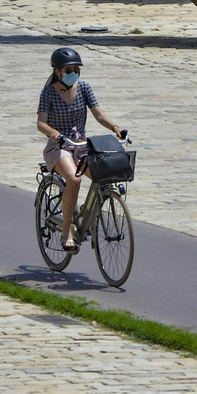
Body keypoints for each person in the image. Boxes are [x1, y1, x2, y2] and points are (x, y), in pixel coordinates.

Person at [36, 48, 126, 252]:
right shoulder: (48, 92)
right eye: (68, 70)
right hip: (59, 146)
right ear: (57, 72)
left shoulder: (84, 87)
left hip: (81, 144)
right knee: (74, 179)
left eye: (76, 69)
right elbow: (41, 123)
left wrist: (115, 128)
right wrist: (54, 134)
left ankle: (86, 212)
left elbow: (99, 113)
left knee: (103, 176)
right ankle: (66, 231)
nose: (73, 73)